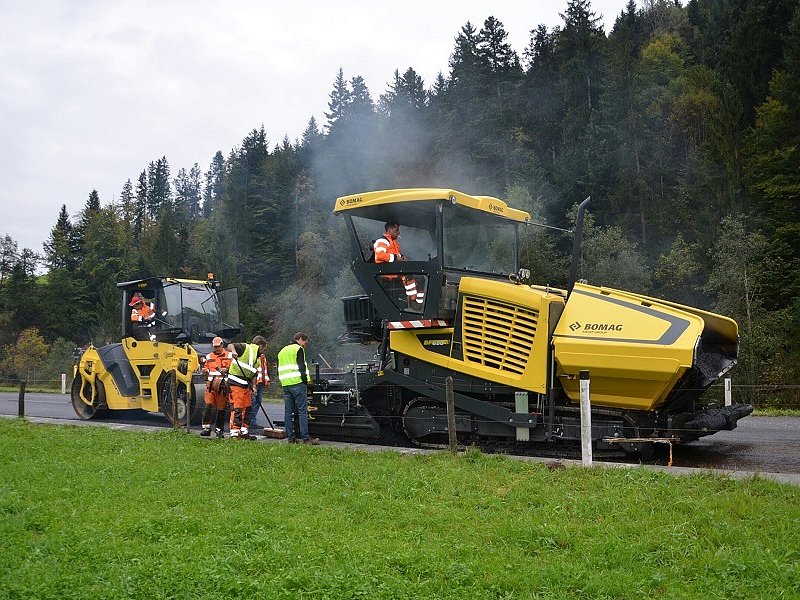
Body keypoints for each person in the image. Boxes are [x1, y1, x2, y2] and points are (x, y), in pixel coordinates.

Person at [277, 332, 319, 444]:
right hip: (298, 384)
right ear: (300, 339)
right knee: (302, 411)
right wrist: (306, 382)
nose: (305, 345)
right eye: (305, 342)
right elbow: (302, 367)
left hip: (285, 384)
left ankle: (291, 438)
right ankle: (306, 438)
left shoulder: (282, 351)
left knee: (288, 412)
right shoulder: (298, 349)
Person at [373, 222, 424, 305]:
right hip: (387, 272)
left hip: (395, 271)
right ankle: (412, 301)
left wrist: (402, 257)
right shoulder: (382, 241)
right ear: (390, 229)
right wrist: (396, 257)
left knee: (420, 278)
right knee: (409, 276)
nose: (399, 232)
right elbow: (379, 255)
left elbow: (396, 255)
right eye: (397, 230)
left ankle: (420, 303)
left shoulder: (393, 242)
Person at [226, 338, 265, 440]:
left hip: (246, 385)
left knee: (248, 408)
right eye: (264, 350)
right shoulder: (245, 347)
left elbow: (254, 373)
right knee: (237, 408)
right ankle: (234, 433)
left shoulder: (257, 360)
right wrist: (234, 352)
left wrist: (254, 387)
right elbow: (230, 345)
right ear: (260, 346)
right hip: (235, 383)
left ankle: (244, 432)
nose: (263, 353)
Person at [199, 337, 232, 438]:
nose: (216, 349)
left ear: (222, 345)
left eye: (218, 347)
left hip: (222, 387)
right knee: (208, 405)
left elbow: (232, 368)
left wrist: (226, 369)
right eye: (215, 347)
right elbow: (205, 367)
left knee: (221, 409)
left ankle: (219, 430)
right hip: (210, 386)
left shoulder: (229, 355)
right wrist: (204, 370)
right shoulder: (209, 356)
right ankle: (206, 428)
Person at [248, 335, 270, 433]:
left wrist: (266, 379)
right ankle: (249, 422)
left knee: (258, 401)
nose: (264, 351)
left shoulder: (262, 356)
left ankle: (252, 420)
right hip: (254, 382)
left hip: (260, 381)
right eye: (263, 349)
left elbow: (264, 368)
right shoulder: (251, 354)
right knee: (252, 402)